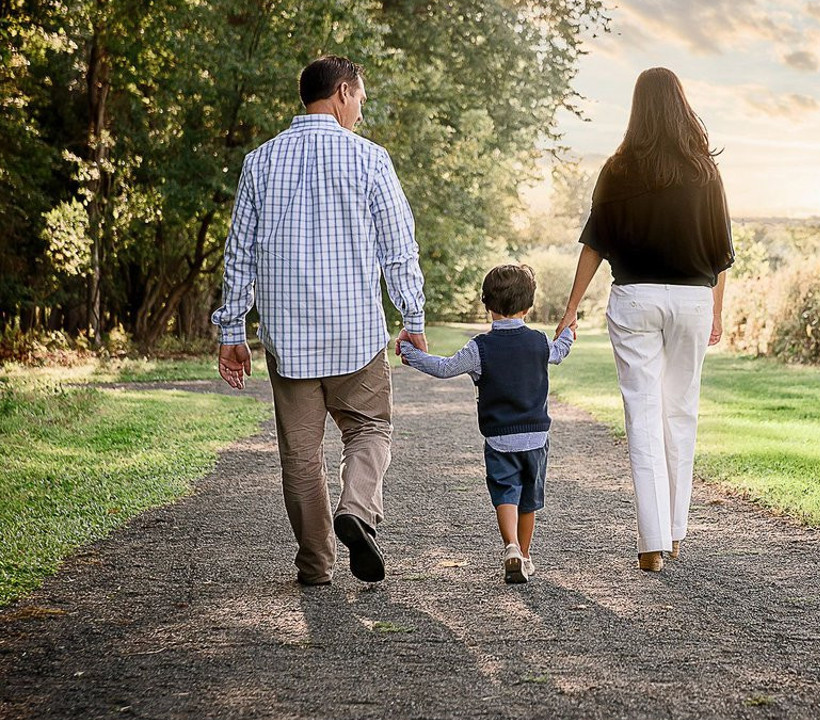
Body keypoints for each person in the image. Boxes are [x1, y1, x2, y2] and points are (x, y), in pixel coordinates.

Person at [212, 55, 426, 586]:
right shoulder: (370, 159)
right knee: (370, 428)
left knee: (302, 456)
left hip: (288, 340)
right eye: (360, 99)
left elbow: (238, 255)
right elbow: (399, 250)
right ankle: (356, 510)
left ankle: (315, 564)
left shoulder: (260, 162)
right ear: (343, 92)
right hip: (356, 334)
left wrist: (232, 332)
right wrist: (412, 316)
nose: (360, 110)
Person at [555, 67, 734, 573]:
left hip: (634, 299)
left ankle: (651, 543)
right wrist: (716, 311)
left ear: (637, 109)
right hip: (693, 301)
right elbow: (722, 253)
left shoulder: (617, 169)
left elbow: (595, 244)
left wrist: (570, 309)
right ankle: (676, 535)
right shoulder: (706, 171)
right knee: (681, 414)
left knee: (643, 416)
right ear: (682, 105)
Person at [398, 265, 575, 584]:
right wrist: (569, 330)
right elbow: (560, 351)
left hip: (499, 439)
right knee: (529, 500)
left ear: (487, 305)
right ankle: (526, 553)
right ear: (529, 306)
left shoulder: (479, 348)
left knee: (506, 492)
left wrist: (410, 353)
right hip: (536, 438)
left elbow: (444, 368)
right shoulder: (538, 342)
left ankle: (510, 547)